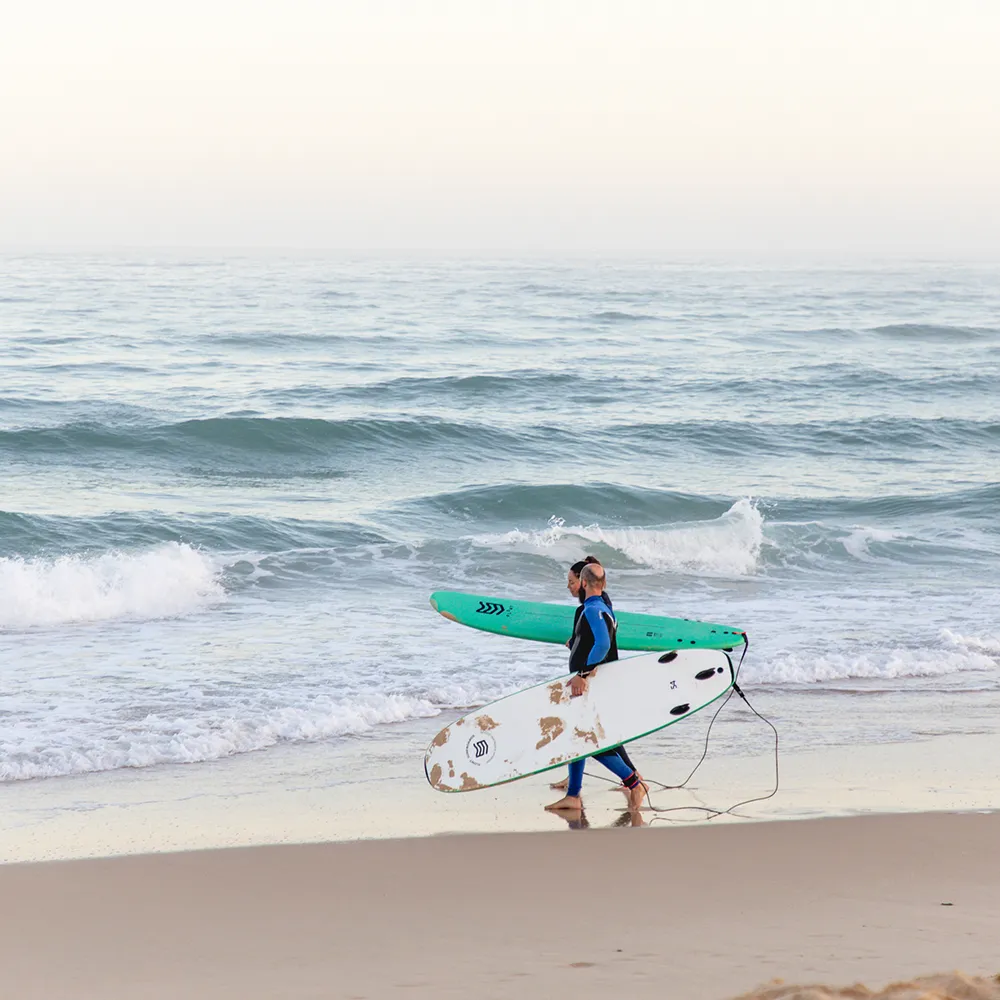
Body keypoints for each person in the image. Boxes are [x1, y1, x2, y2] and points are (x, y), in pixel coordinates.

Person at [545, 562, 648, 813]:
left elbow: (602, 644)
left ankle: (633, 782)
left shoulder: (592, 610)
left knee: (586, 740)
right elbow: (599, 642)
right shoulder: (603, 608)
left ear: (583, 583)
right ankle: (573, 795)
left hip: (590, 684)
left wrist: (582, 673)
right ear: (604, 584)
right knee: (579, 737)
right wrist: (578, 643)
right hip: (597, 682)